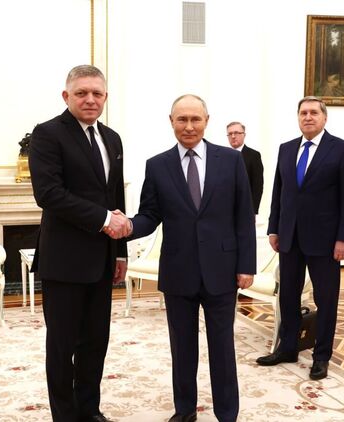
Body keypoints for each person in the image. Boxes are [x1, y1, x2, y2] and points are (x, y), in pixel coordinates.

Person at [122, 94, 256, 422]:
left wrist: (246, 265)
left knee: (222, 347)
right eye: (182, 119)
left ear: (207, 121)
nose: (189, 126)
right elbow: (150, 214)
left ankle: (227, 413)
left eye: (196, 119)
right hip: (178, 270)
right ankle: (185, 411)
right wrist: (127, 226)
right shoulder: (157, 165)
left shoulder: (231, 160)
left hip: (222, 270)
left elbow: (243, 216)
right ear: (171, 122)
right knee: (182, 348)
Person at [29, 64, 130, 422]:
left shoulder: (112, 138)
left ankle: (89, 410)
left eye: (96, 93)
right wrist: (103, 219)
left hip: (102, 261)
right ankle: (65, 416)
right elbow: (48, 194)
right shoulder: (47, 134)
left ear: (105, 97)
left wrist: (120, 253)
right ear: (66, 96)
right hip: (64, 261)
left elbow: (115, 197)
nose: (90, 99)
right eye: (81, 93)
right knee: (62, 347)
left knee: (95, 343)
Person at [256, 96, 344, 381]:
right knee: (288, 296)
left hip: (326, 241)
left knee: (326, 299)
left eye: (314, 112)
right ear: (298, 117)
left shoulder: (342, 150)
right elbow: (279, 192)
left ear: (324, 118)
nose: (308, 117)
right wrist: (274, 228)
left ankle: (321, 357)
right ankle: (287, 348)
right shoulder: (286, 149)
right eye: (303, 113)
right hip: (289, 237)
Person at [226, 122, 264, 214]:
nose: (233, 136)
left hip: (246, 208)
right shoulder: (223, 156)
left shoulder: (254, 155)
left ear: (244, 135)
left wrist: (253, 211)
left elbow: (257, 185)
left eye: (236, 133)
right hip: (226, 208)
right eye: (230, 134)